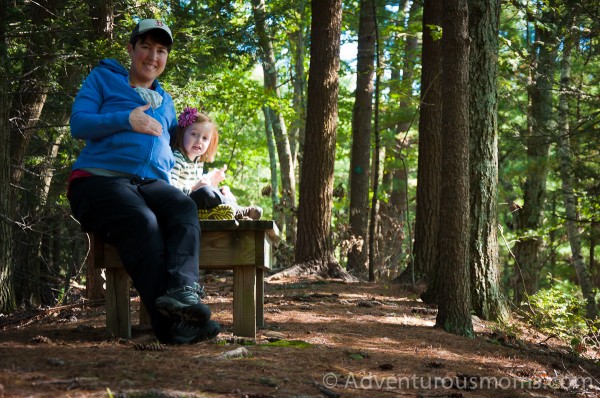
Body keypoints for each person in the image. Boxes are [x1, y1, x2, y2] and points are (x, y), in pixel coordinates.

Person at [67, 19, 220, 344]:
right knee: (142, 220)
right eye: (146, 47)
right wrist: (125, 119)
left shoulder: (166, 102)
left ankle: (183, 294)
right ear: (131, 49)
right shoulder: (103, 79)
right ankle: (174, 329)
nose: (153, 56)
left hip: (146, 184)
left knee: (181, 207)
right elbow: (78, 123)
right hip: (97, 180)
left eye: (161, 50)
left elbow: (162, 152)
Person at [170, 107, 263, 220]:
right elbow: (171, 190)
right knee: (206, 192)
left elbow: (201, 185)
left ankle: (234, 210)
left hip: (196, 199)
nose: (199, 140)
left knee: (220, 190)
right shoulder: (177, 158)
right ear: (182, 133)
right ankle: (238, 211)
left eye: (205, 138)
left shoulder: (198, 162)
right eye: (194, 134)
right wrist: (195, 187)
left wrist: (214, 183)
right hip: (182, 204)